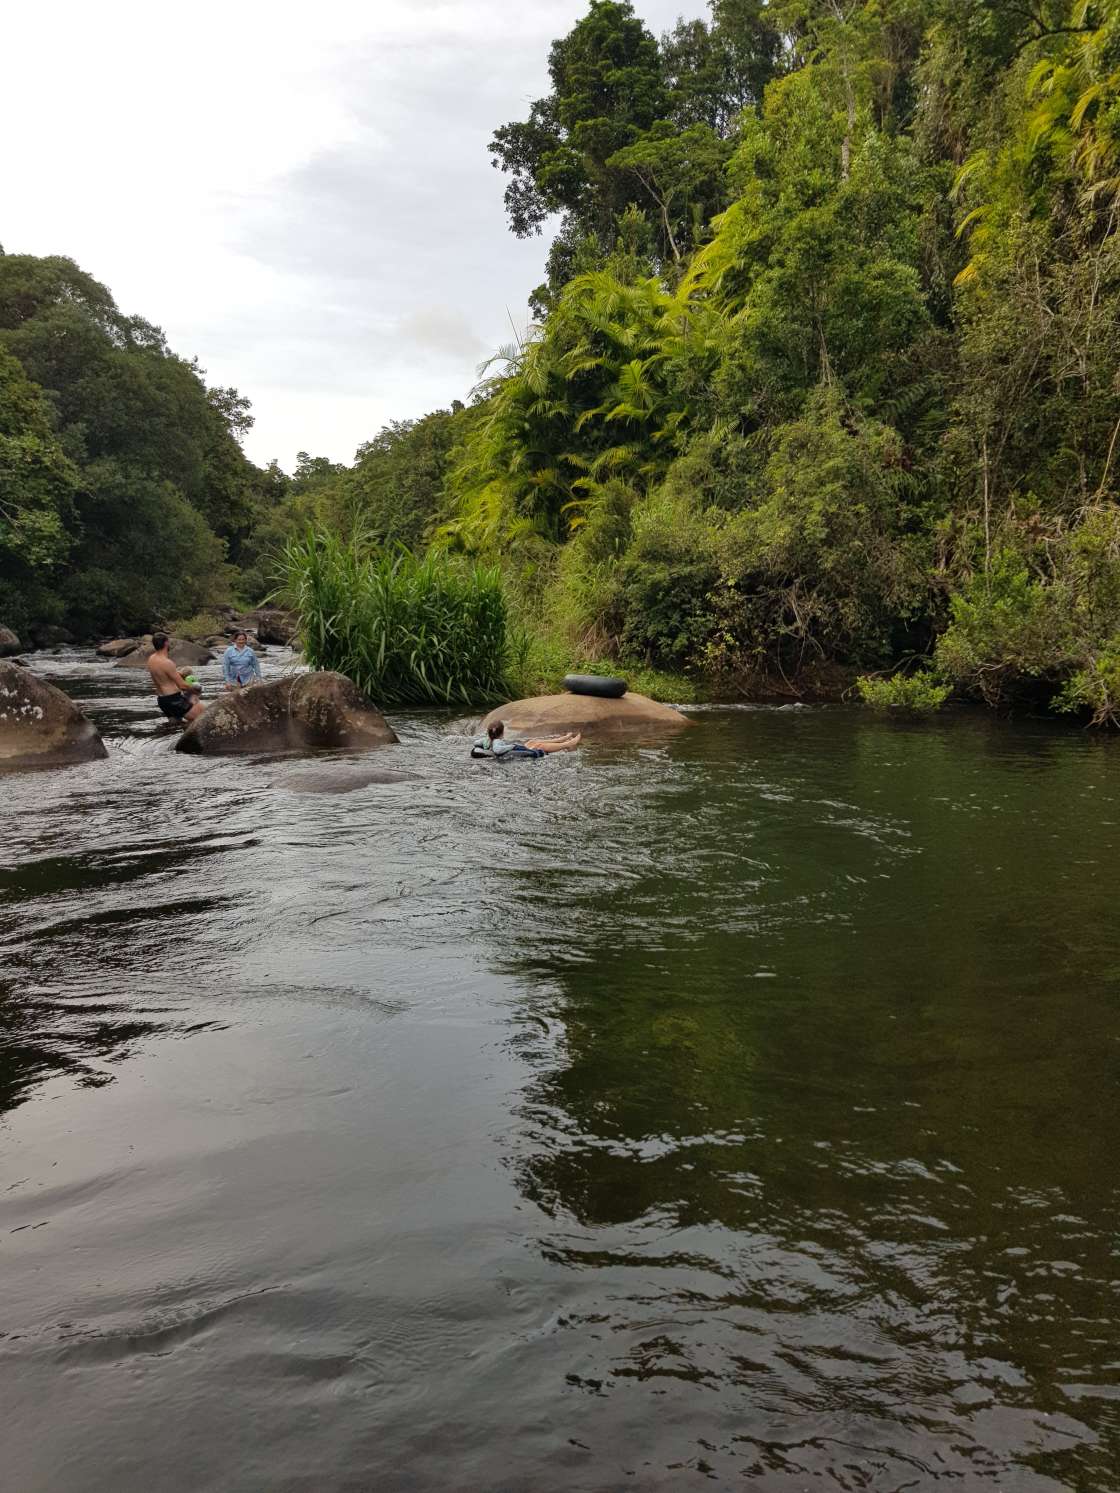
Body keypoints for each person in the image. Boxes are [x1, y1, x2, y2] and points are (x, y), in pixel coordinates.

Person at [147, 633, 205, 726]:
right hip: (174, 700)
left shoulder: (151, 659)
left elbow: (162, 676)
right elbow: (182, 685)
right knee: (203, 715)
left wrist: (178, 674)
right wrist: (196, 689)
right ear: (166, 643)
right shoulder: (167, 662)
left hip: (162, 701)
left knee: (176, 726)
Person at [472, 719, 582, 759]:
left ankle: (562, 739)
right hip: (513, 751)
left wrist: (484, 742)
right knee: (539, 746)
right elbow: (497, 750)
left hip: (513, 749)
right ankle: (568, 743)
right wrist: (512, 746)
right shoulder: (496, 742)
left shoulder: (487, 740)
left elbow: (475, 742)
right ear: (502, 732)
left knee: (532, 742)